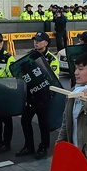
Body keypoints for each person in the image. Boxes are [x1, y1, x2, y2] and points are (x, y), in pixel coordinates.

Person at [17, 32, 60, 160]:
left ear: (46, 43)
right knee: (25, 121)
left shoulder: (52, 59)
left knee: (43, 124)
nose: (36, 42)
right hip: (31, 95)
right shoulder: (29, 56)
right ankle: (28, 146)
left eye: (39, 41)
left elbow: (53, 78)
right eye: (35, 40)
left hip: (44, 97)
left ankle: (43, 147)